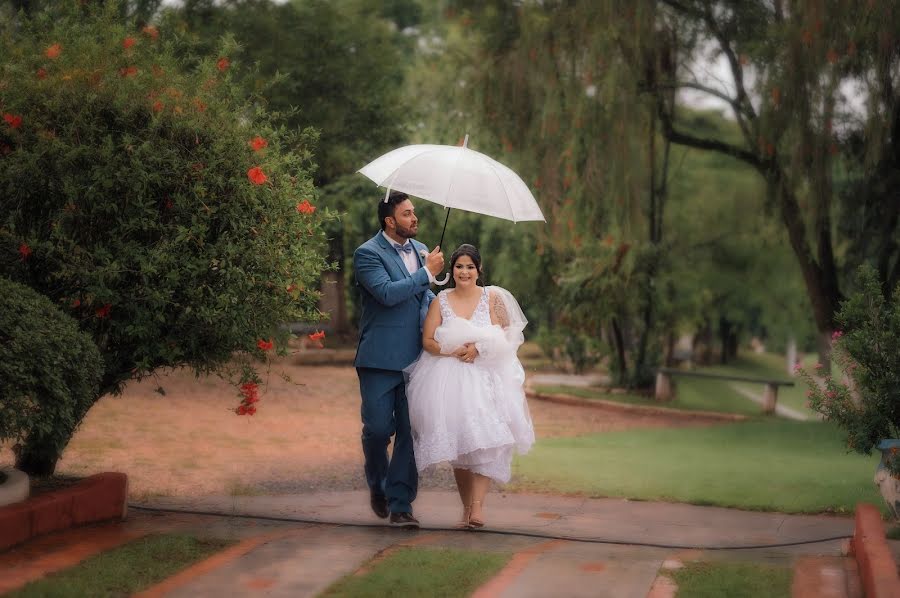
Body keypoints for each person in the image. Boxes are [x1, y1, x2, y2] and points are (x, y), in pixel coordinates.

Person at [405, 244, 534, 528]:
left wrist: (478, 348)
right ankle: (466, 508)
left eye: (470, 267)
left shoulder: (493, 297)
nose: (464, 272)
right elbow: (428, 341)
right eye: (459, 266)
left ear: (479, 270)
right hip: (449, 379)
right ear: (452, 271)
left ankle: (477, 508)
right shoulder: (441, 299)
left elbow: (507, 336)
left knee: (490, 440)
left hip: (488, 377)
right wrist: (450, 351)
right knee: (461, 446)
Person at [353, 190, 444, 528]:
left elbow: (422, 297)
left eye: (414, 212)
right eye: (407, 214)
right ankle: (377, 484)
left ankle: (401, 504)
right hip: (378, 357)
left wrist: (446, 306)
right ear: (390, 221)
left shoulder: (422, 252)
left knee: (410, 433)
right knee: (378, 431)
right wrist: (426, 274)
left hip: (417, 359)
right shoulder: (367, 254)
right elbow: (389, 294)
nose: (414, 218)